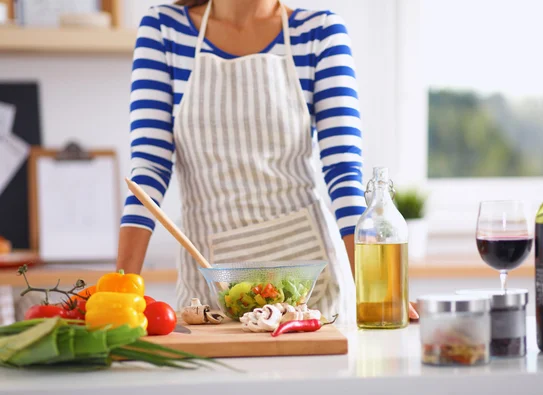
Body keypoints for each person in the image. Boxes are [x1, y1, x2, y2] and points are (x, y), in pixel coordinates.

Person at [117, 0, 418, 323]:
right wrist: (120, 291)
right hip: (210, 286)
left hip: (310, 291)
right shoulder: (165, 29)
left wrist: (377, 294)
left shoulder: (318, 33)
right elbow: (149, 169)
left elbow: (343, 172)